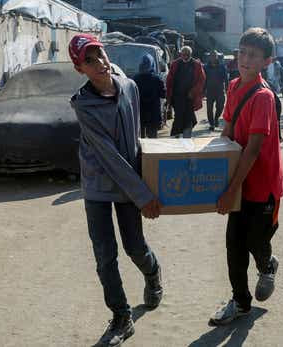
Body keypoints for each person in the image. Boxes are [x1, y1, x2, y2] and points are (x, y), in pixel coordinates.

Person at [69, 34, 163, 346]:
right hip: (99, 183)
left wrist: (146, 181)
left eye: (101, 54)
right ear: (79, 68)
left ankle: (152, 272)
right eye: (89, 60)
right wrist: (143, 195)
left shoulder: (130, 87)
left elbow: (135, 142)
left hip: (129, 182)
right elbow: (109, 156)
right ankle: (122, 317)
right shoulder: (83, 105)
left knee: (135, 246)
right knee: (104, 255)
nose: (100, 63)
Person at [210, 28, 283, 326]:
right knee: (234, 246)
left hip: (262, 185)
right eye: (242, 52)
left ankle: (267, 265)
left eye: (253, 55)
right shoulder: (234, 85)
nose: (245, 59)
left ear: (267, 61)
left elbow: (252, 151)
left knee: (256, 241)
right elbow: (227, 132)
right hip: (238, 183)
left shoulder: (264, 97)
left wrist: (230, 190)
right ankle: (240, 302)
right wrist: (207, 164)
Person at [166, 46, 206, 138]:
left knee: (189, 118)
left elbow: (201, 80)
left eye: (187, 54)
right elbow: (169, 80)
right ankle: (175, 137)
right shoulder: (175, 64)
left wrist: (193, 91)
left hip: (190, 98)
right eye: (183, 54)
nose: (185, 56)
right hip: (177, 97)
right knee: (178, 117)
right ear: (181, 54)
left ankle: (187, 137)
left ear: (190, 55)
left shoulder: (196, 65)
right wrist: (169, 96)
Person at [133, 54, 166, 138]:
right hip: (153, 114)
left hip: (140, 113)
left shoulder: (135, 79)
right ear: (152, 64)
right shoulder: (157, 79)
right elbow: (163, 94)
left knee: (140, 139)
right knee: (152, 140)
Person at [204, 51, 229, 131]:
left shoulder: (222, 66)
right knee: (209, 108)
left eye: (214, 56)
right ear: (209, 57)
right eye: (211, 56)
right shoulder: (206, 67)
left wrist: (227, 88)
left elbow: (226, 78)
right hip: (210, 90)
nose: (213, 57)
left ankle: (216, 118)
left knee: (220, 106)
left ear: (217, 57)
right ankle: (211, 124)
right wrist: (203, 90)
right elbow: (203, 79)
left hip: (219, 90)